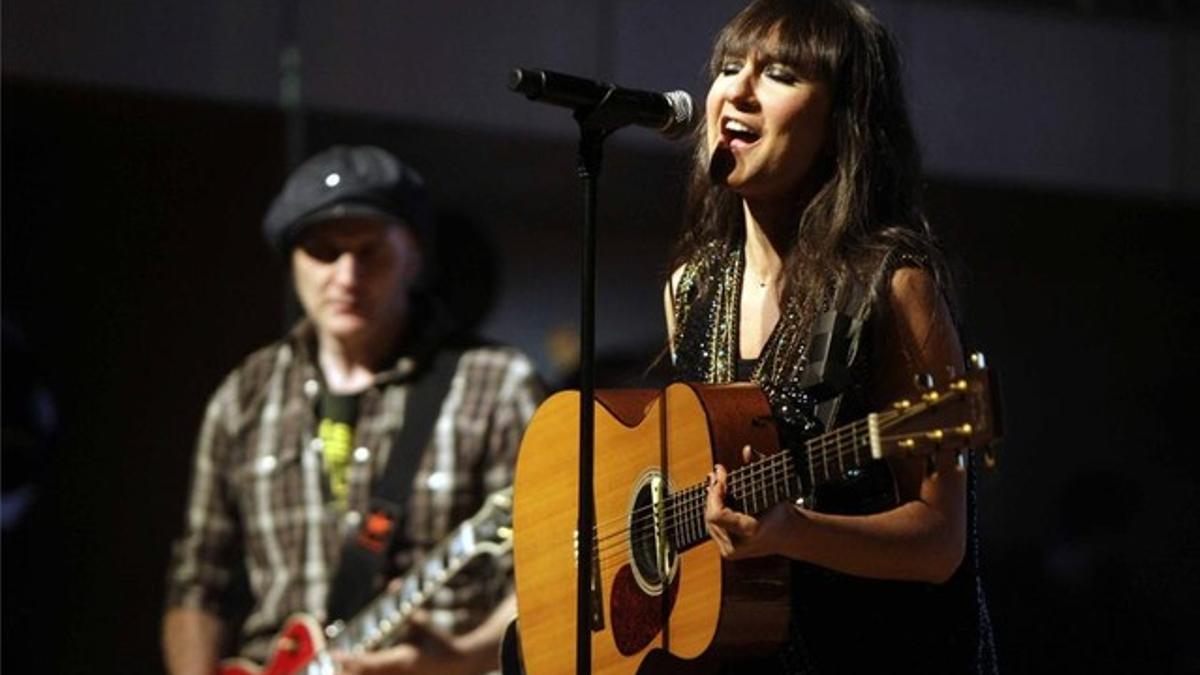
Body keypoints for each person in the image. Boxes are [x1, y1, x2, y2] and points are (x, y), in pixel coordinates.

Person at [663, 1, 997, 672]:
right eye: (730, 67)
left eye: (780, 74)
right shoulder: (690, 289)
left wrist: (796, 530)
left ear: (843, 120)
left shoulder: (894, 287)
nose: (739, 91)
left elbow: (938, 542)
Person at [162, 145, 543, 675]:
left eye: (371, 252)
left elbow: (552, 569)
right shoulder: (243, 397)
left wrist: (463, 656)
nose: (346, 275)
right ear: (291, 258)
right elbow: (198, 581)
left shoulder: (497, 384)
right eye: (323, 251)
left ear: (413, 254)